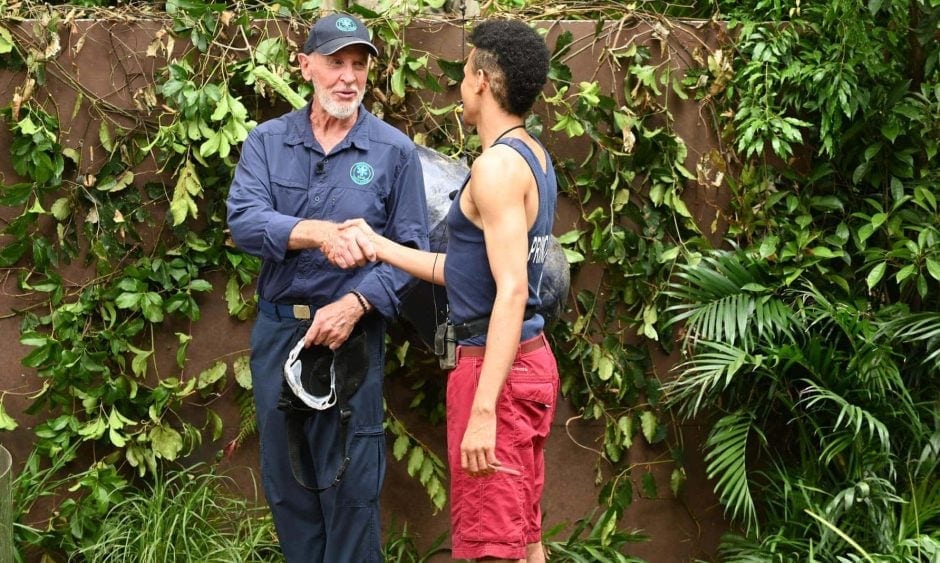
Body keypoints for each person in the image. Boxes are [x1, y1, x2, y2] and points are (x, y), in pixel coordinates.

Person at [330, 19, 558, 563]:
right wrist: (378, 245)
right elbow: (465, 269)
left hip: (494, 369)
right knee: (524, 541)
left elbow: (510, 290)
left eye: (465, 72)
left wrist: (483, 410)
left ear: (481, 79)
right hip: (526, 360)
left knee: (487, 548)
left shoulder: (495, 168)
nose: (460, 84)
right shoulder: (532, 155)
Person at [225, 12, 429, 563]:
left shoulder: (394, 152)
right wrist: (311, 232)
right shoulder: (267, 142)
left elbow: (411, 254)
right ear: (305, 66)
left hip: (350, 337)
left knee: (350, 486)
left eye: (358, 65)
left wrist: (357, 302)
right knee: (287, 482)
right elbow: (243, 220)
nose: (347, 77)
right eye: (335, 63)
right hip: (279, 332)